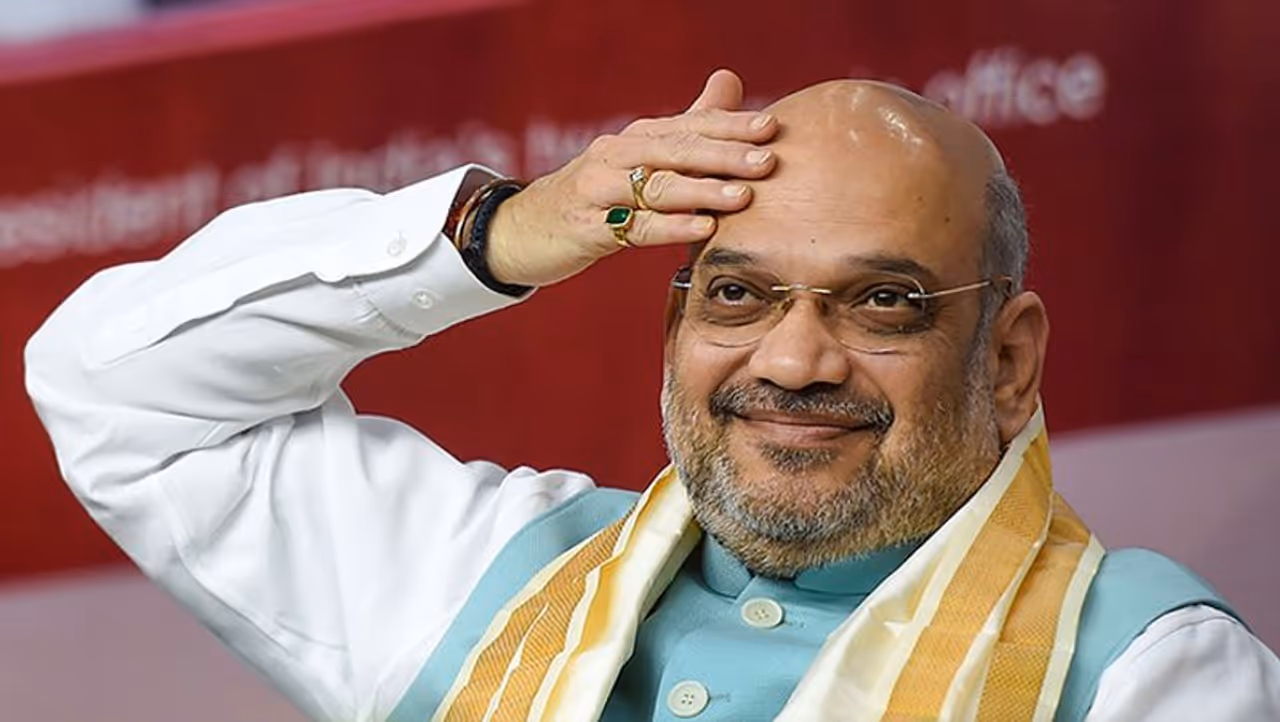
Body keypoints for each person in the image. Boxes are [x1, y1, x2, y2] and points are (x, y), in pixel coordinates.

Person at [25, 70, 1280, 721]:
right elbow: (116, 390)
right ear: (676, 322)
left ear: (1004, 360)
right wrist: (499, 232)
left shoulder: (1140, 667)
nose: (793, 360)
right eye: (736, 295)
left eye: (881, 303)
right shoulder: (489, 576)